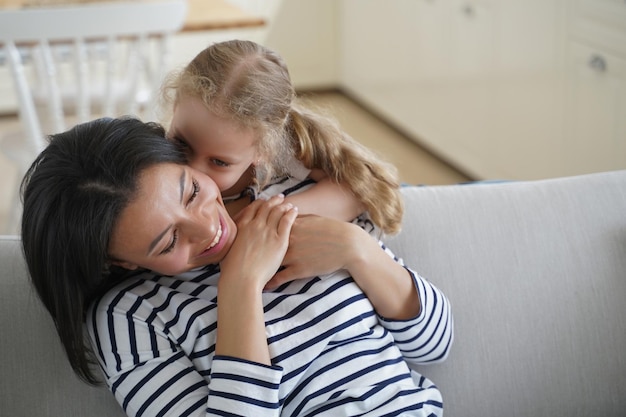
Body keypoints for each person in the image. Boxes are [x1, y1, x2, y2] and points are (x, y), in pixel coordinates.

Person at [21, 117, 453, 416]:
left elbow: (435, 346)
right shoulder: (131, 315)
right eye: (169, 241)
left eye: (191, 192)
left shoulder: (287, 208)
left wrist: (359, 249)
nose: (209, 228)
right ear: (121, 261)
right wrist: (241, 283)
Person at [161, 39, 403, 236]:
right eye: (181, 143)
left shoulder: (287, 153)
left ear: (264, 151)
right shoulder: (151, 158)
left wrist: (274, 215)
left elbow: (362, 190)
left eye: (220, 163)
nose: (192, 169)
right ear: (175, 107)